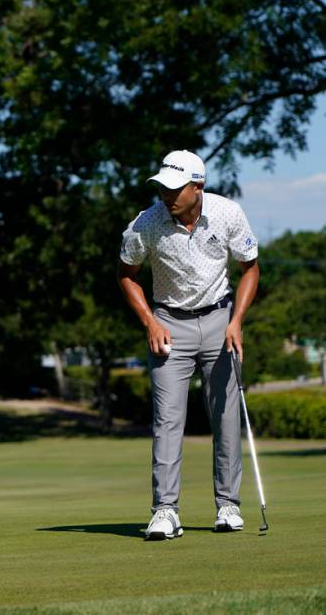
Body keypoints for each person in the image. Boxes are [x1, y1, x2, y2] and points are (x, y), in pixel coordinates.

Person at [116, 150, 260, 541]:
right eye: (163, 187)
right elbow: (126, 274)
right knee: (167, 420)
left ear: (197, 186)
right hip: (169, 324)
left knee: (225, 417)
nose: (167, 195)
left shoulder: (228, 213)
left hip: (220, 321)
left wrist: (237, 321)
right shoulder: (146, 223)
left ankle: (228, 505)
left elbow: (250, 268)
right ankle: (165, 511)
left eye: (175, 188)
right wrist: (149, 321)